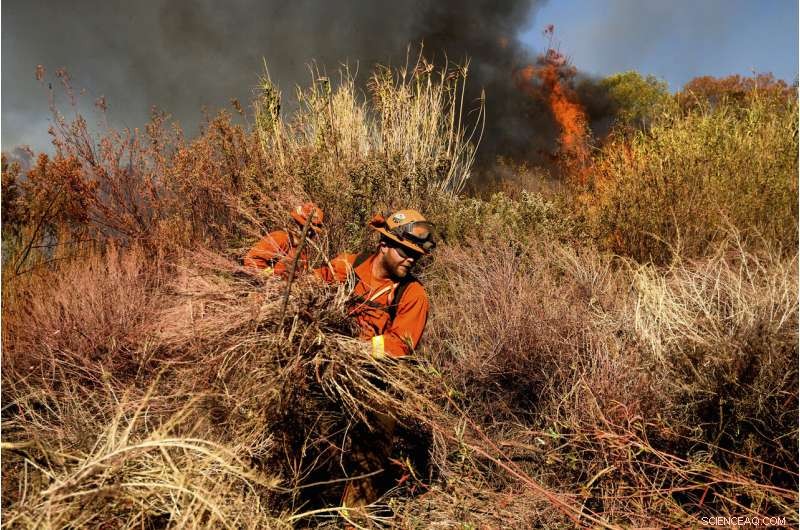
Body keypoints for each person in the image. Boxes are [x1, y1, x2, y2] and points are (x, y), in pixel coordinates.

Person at [315, 209, 435, 511]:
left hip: (375, 379)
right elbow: (310, 286)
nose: (411, 258)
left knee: (374, 442)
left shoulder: (412, 294)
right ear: (384, 244)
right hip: (324, 366)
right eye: (405, 251)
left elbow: (399, 345)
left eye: (416, 255)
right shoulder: (347, 266)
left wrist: (355, 349)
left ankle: (356, 514)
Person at [243, 202, 324, 278]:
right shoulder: (281, 238)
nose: (313, 235)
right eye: (313, 232)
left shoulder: (302, 249)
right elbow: (251, 260)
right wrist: (271, 277)